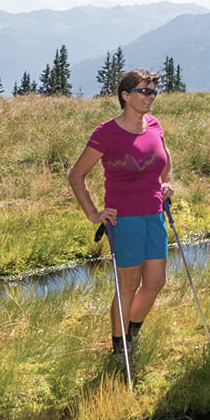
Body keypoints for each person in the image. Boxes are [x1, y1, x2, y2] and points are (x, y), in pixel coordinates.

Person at [69, 68, 174, 364]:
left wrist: (166, 182)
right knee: (127, 286)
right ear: (125, 96)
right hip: (124, 219)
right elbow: (77, 175)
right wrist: (93, 213)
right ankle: (119, 349)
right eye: (145, 91)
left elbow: (165, 159)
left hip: (155, 215)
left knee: (155, 282)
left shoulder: (154, 125)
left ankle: (132, 333)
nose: (150, 97)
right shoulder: (107, 133)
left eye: (153, 91)